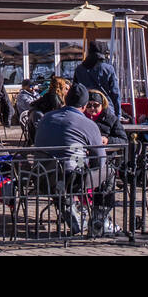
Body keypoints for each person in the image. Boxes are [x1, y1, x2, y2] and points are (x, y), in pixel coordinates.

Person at [33, 83, 116, 235]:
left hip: (41, 176)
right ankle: (99, 221)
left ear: (66, 100)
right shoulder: (88, 124)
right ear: (84, 106)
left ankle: (71, 207)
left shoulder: (46, 118)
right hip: (72, 179)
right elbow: (100, 160)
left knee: (69, 164)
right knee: (109, 172)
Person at [74, 41, 122, 113]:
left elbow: (75, 91)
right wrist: (118, 113)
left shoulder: (79, 69)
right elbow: (115, 93)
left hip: (86, 108)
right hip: (106, 108)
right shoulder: (108, 69)